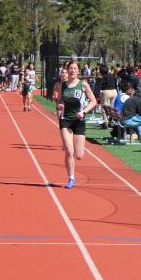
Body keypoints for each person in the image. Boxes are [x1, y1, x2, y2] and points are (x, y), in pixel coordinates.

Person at [51, 61, 97, 189]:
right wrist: (60, 105)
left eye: (75, 68)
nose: (72, 70)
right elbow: (60, 101)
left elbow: (93, 101)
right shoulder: (62, 85)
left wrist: (84, 112)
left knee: (79, 155)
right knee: (69, 150)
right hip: (65, 120)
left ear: (78, 71)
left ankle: (75, 156)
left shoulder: (83, 85)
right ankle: (71, 178)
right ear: (67, 70)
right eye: (70, 68)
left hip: (79, 120)